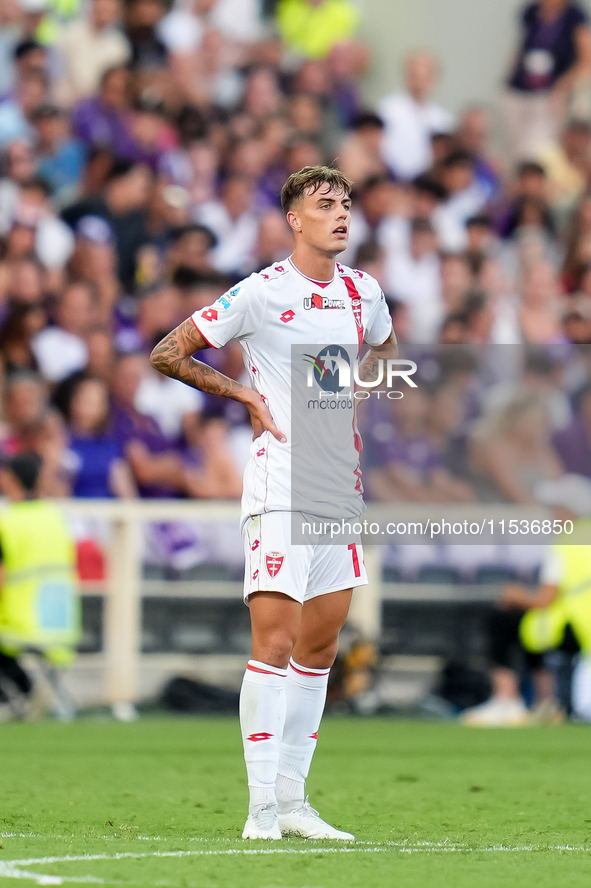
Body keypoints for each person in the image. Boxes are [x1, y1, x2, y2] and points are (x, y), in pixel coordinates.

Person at [150, 165, 395, 840]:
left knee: (319, 649)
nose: (340, 215)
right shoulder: (261, 292)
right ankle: (259, 807)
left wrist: (354, 392)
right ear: (294, 219)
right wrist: (245, 395)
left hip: (337, 489)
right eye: (325, 205)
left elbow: (384, 347)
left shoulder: (361, 292)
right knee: (275, 641)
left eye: (345, 204)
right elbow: (167, 352)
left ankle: (293, 801)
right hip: (280, 481)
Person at [461, 474, 591, 726]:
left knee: (503, 619)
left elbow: (544, 600)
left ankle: (507, 699)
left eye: (556, 508)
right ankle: (546, 702)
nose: (553, 515)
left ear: (570, 510)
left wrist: (516, 595)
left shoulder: (566, 543)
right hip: (582, 628)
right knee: (528, 625)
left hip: (577, 628)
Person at [0, 451, 80, 716]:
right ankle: (31, 693)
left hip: (20, 624)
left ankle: (19, 695)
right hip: (61, 623)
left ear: (11, 479)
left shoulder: (7, 522)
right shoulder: (54, 518)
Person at [504, 0, 591, 160]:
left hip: (548, 97)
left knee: (534, 151)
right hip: (519, 91)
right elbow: (522, 47)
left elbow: (586, 61)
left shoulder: (575, 17)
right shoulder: (531, 11)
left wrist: (562, 87)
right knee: (513, 149)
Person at [377, 51, 454, 182]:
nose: (419, 83)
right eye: (415, 76)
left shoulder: (442, 120)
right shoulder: (387, 109)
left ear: (434, 79)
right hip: (391, 180)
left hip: (428, 186)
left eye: (425, 77)